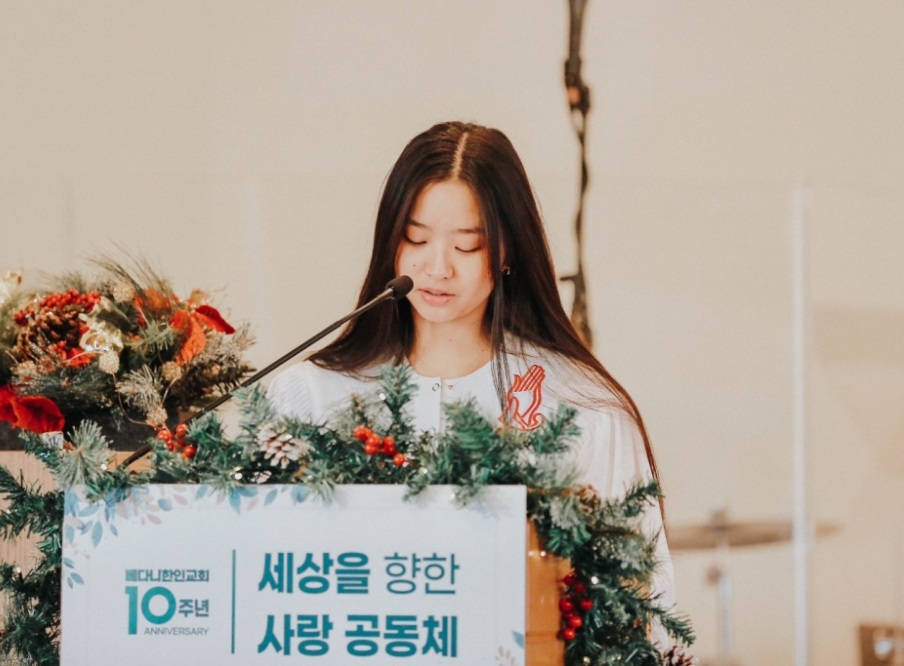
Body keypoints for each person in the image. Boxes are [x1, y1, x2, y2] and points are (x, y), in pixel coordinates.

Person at [267, 121, 675, 636]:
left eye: (467, 246)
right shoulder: (310, 396)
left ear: (508, 252)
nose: (438, 268)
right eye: (416, 238)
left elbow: (643, 610)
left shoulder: (582, 406)